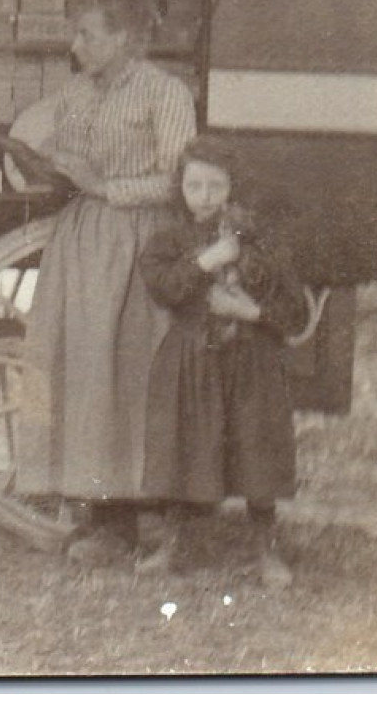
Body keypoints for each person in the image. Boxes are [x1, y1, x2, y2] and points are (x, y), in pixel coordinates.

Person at [17, 0, 197, 564]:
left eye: (87, 34)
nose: (76, 46)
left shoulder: (165, 93)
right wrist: (48, 167)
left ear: (123, 37)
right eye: (76, 35)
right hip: (81, 240)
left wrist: (106, 187)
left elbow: (180, 181)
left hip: (138, 239)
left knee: (130, 371)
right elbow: (64, 156)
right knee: (85, 372)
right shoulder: (74, 93)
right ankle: (99, 515)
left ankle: (139, 517)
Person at [136, 136, 309, 588]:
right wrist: (208, 260)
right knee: (183, 448)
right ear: (181, 188)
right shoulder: (169, 239)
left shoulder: (261, 239)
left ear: (233, 187)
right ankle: (171, 546)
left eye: (216, 185)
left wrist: (248, 312)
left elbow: (295, 313)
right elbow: (164, 287)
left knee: (256, 449)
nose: (205, 196)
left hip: (252, 362)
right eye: (195, 185)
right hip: (191, 359)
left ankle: (265, 550)